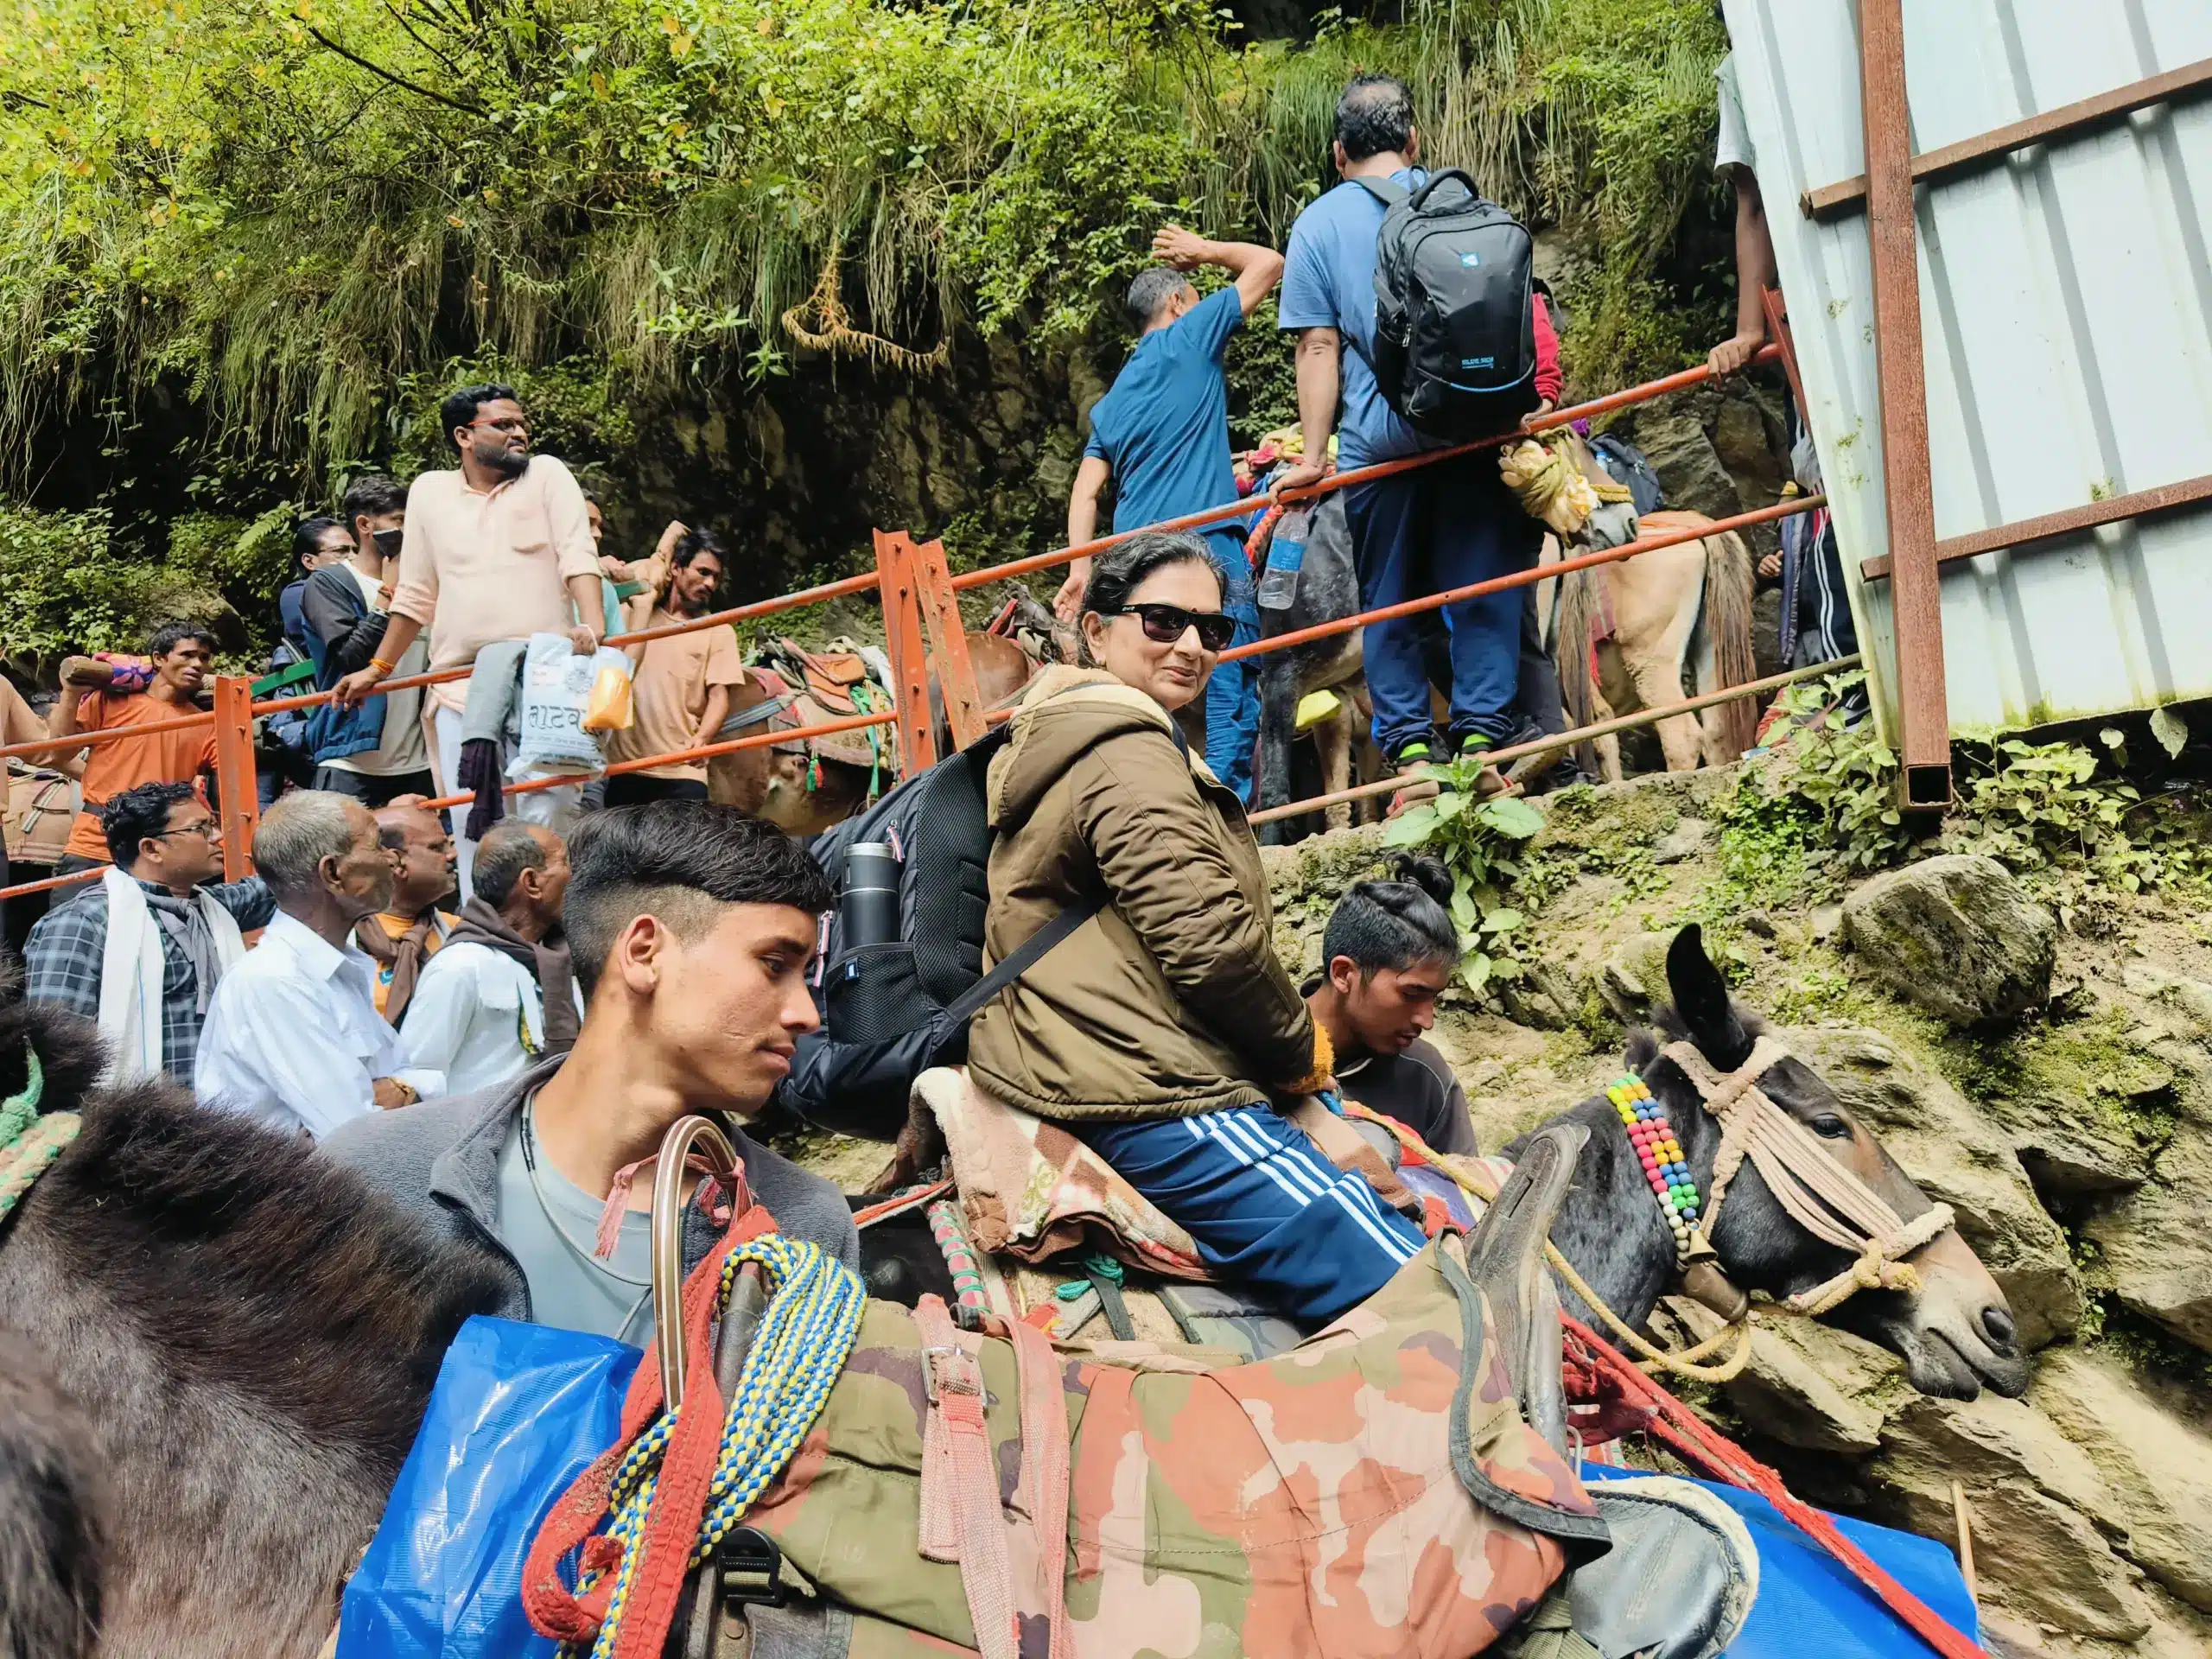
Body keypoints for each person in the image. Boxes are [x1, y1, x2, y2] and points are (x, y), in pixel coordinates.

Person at [968, 531, 1422, 1325]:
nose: (1190, 646)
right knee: (1412, 1286)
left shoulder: (1085, 734)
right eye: (1161, 622)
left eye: (1212, 632)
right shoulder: (1127, 752)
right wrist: (1303, 1070)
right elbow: (1212, 948)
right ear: (1096, 629)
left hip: (1098, 1041)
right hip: (1139, 1079)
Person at [324, 803, 856, 1348]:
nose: (806, 1015)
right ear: (645, 953)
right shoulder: (374, 1178)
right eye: (774, 964)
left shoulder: (803, 1225)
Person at [1274, 75, 1560, 788]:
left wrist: (1314, 457)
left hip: (1381, 450)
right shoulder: (1463, 202)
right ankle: (1481, 742)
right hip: (1475, 430)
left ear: (1340, 153)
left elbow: (1317, 347)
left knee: (1392, 599)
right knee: (1482, 589)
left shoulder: (1315, 225)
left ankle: (1407, 752)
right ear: (1413, 142)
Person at [331, 384, 607, 893]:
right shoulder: (431, 492)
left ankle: (553, 937)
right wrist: (379, 669)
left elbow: (577, 556)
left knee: (551, 814)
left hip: (547, 674)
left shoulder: (546, 475)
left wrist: (593, 629)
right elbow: (415, 594)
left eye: (521, 423)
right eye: (503, 425)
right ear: (463, 435)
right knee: (472, 821)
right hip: (461, 684)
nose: (519, 432)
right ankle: (488, 930)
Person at [1058, 228, 1282, 803]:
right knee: (1230, 684)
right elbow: (1268, 263)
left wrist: (1081, 570)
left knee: (1142, 691)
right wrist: (1205, 251)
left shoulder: (1111, 402)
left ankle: (1148, 802)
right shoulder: (1190, 336)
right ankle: (1231, 817)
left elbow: (1085, 493)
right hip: (1207, 550)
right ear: (1180, 302)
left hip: (1135, 566)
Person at [1704, 53, 1860, 698]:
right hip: (1831, 308)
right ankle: (1841, 679)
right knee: (1828, 486)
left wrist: (1751, 328)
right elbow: (1755, 203)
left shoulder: (1752, 54)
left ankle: (1840, 685)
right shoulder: (1746, 56)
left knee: (1829, 484)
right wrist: (1754, 327)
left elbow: (1754, 202)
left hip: (1823, 316)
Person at [194, 791, 442, 1135]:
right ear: (333, 873)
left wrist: (406, 1088)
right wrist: (412, 1090)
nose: (392, 860)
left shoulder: (335, 971)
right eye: (377, 846)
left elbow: (408, 1079)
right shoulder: (275, 981)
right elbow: (353, 1135)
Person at [22, 781, 274, 1084]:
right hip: (138, 1121)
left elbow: (283, 886)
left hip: (222, 1116)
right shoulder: (80, 924)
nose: (219, 837)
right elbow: (57, 1055)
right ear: (151, 849)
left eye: (214, 824)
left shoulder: (209, 908)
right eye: (201, 829)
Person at [1304, 856, 1477, 1155]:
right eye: (1412, 994)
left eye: (1433, 998)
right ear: (1344, 974)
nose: (1427, 1020)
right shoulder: (1262, 1054)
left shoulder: (1425, 1077)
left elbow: (1465, 1194)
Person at [399, 822, 582, 1095]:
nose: (576, 875)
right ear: (531, 883)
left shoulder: (565, 957)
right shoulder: (459, 967)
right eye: (566, 863)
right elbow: (417, 1078)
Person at [302, 474, 435, 805]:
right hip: (350, 759)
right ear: (365, 525)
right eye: (400, 521)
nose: (410, 531)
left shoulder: (426, 584)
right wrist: (388, 593)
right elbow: (350, 657)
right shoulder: (331, 582)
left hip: (419, 760)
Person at [45, 622, 220, 873]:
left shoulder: (205, 724)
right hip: (94, 842)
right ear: (159, 659)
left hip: (157, 851)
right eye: (187, 655)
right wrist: (71, 693)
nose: (197, 665)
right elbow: (59, 753)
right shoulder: (110, 701)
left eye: (204, 658)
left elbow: (233, 772)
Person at [601, 530, 745, 806]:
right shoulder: (634, 611)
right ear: (676, 568)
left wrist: (703, 738)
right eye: (703, 572)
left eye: (716, 577)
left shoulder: (719, 630)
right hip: (623, 767)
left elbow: (719, 696)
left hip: (682, 770)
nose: (710, 583)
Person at [357, 802, 459, 1024]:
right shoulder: (344, 941)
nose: (452, 854)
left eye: (449, 845)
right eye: (436, 848)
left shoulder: (459, 931)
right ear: (395, 862)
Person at [279, 517, 353, 658]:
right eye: (340, 551)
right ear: (310, 561)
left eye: (355, 550)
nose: (353, 557)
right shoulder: (298, 593)